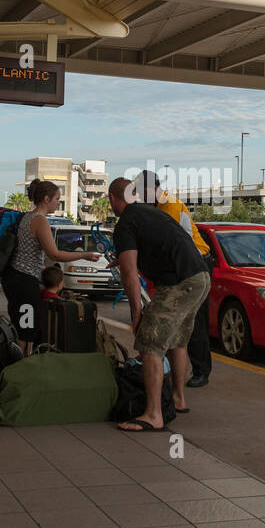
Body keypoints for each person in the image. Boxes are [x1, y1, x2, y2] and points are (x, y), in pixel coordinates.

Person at [107, 176, 209, 431]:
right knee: (177, 339)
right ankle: (178, 398)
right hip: (201, 276)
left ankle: (153, 414)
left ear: (113, 199)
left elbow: (130, 276)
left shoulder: (126, 223)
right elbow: (160, 244)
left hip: (180, 281)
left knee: (149, 340)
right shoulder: (150, 213)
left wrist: (136, 313)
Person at [135, 169, 214, 389]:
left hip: (196, 262)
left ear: (149, 189)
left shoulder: (168, 206)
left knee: (194, 320)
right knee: (179, 322)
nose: (139, 198)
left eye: (140, 192)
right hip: (184, 263)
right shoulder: (157, 205)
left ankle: (201, 371)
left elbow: (167, 242)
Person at [1, 179, 99, 354]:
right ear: (46, 199)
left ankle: (14, 367)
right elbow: (54, 254)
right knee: (26, 331)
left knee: (21, 327)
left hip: (15, 278)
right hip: (24, 282)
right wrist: (84, 254)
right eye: (57, 199)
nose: (58, 203)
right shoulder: (40, 220)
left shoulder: (27, 216)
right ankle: (17, 371)